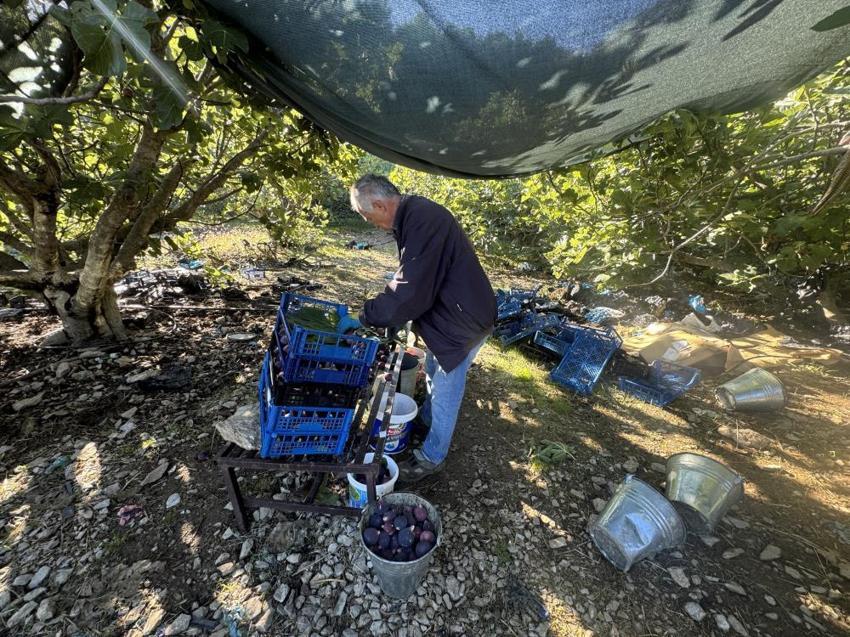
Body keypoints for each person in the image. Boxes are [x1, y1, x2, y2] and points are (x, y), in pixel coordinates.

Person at [338, 174, 496, 482]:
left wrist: (366, 316)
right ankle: (426, 418)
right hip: (455, 310)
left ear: (381, 205)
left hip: (463, 320)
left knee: (448, 386)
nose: (371, 224)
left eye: (369, 217)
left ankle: (432, 457)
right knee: (436, 370)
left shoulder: (422, 220)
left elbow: (408, 292)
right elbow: (413, 275)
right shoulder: (413, 216)